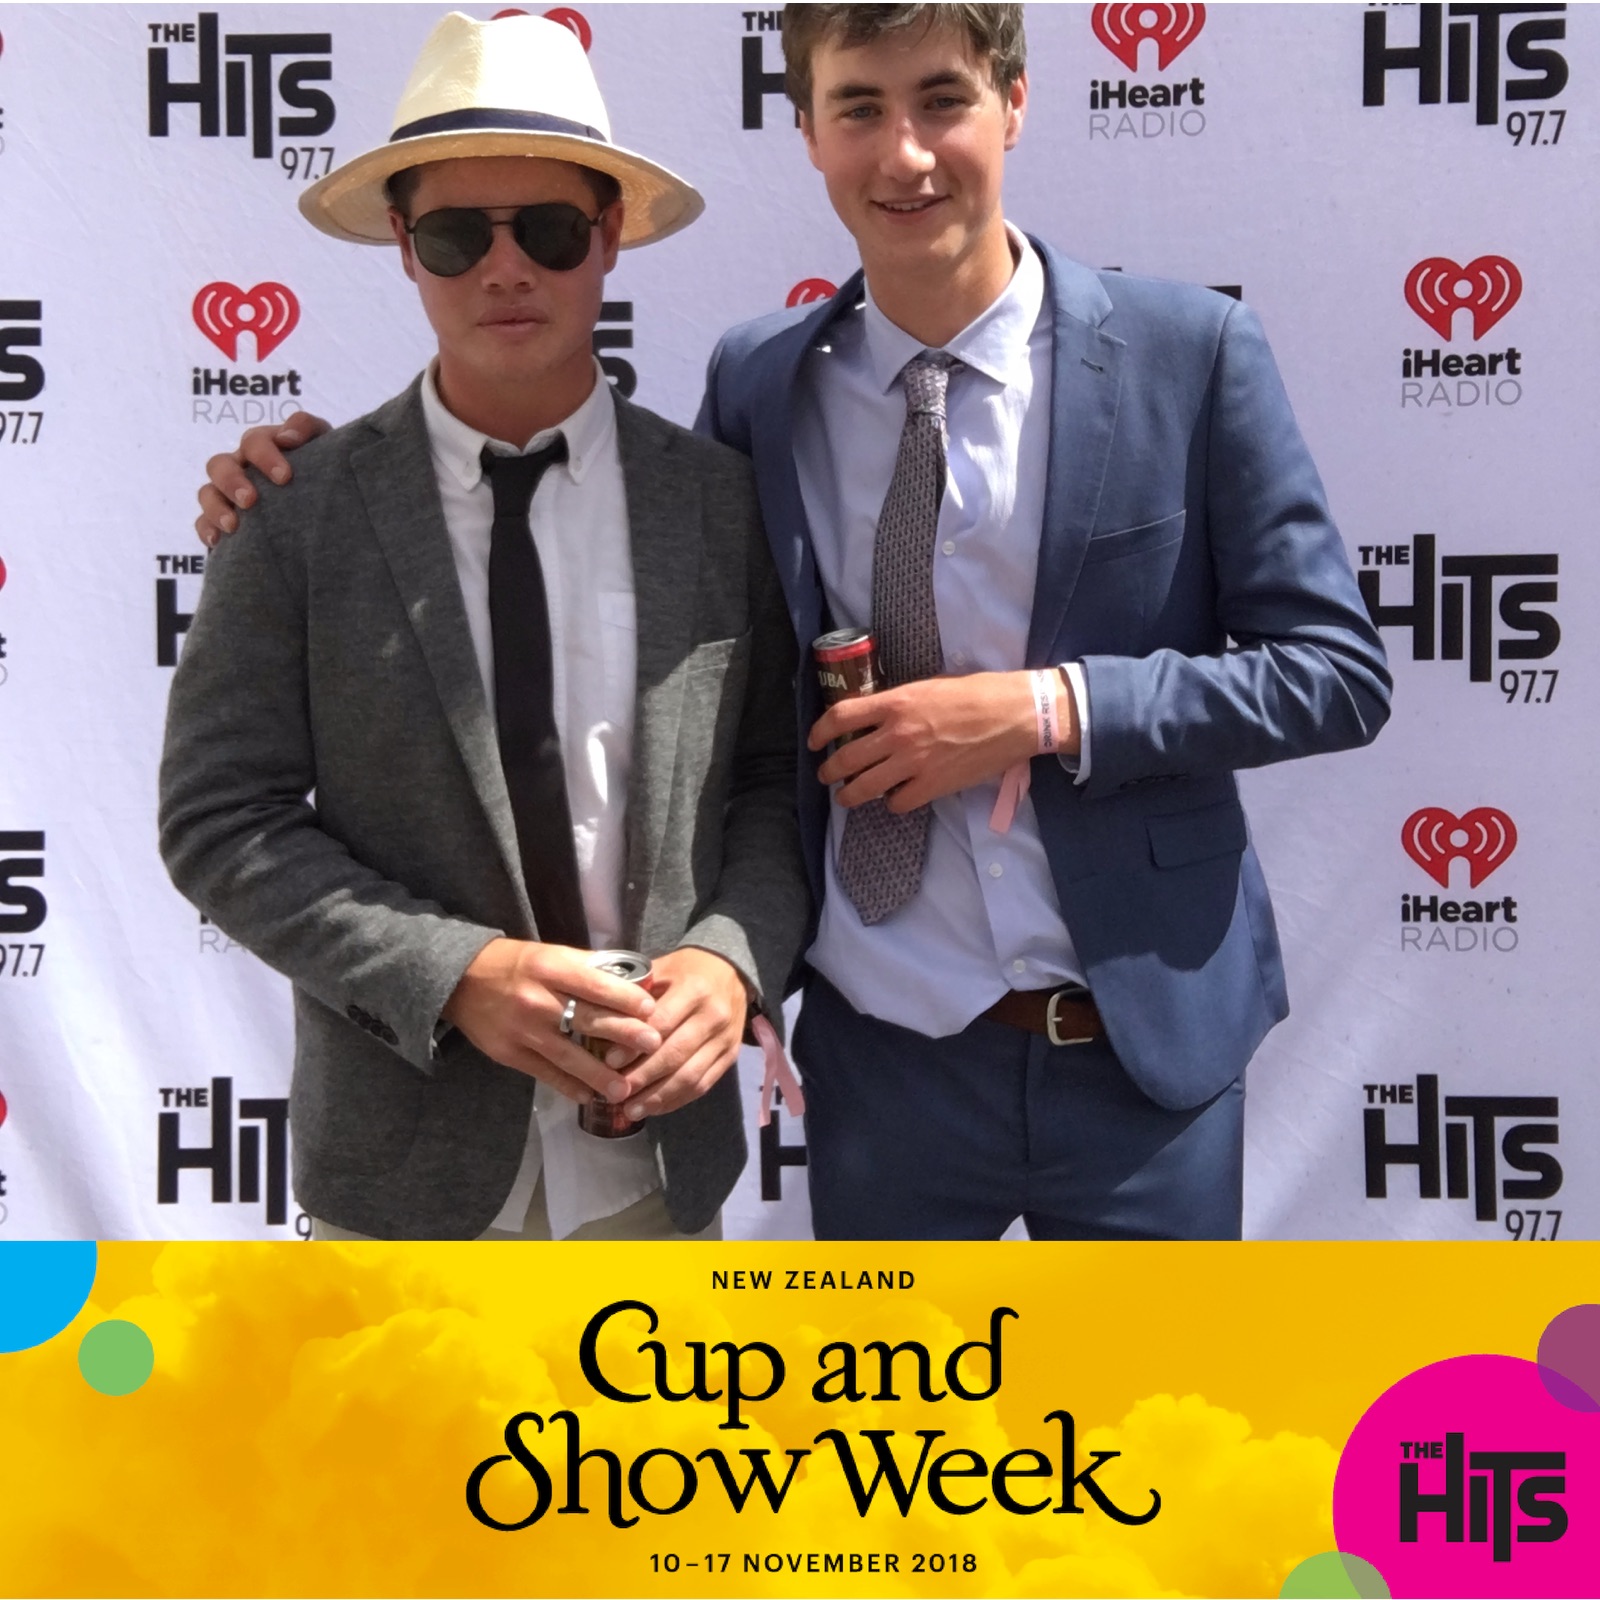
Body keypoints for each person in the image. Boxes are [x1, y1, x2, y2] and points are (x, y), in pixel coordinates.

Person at [194, 4, 1389, 1243]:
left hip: (1141, 1042)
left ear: (1015, 101)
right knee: (887, 1385)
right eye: (859, 107)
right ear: (808, 130)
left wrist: (1046, 708)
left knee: (1159, 1384)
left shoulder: (1187, 356)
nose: (904, 152)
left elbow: (1336, 672)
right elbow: (752, 748)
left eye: (942, 99)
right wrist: (288, 494)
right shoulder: (760, 392)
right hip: (886, 1064)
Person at [161, 11, 808, 1241]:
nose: (505, 270)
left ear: (607, 236)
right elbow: (218, 819)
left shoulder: (720, 506)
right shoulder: (295, 516)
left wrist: (730, 957)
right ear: (406, 248)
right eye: (458, 235)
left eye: (549, 230)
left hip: (658, 1162)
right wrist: (454, 974)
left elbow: (774, 785)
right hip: (402, 1176)